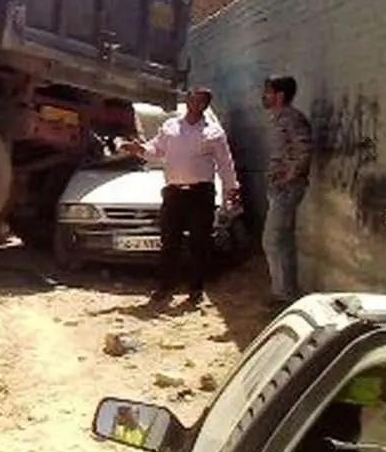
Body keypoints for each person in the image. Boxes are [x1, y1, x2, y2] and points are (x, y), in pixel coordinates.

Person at [122, 88, 240, 304]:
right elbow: (156, 150)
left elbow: (225, 164)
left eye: (201, 102)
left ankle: (196, 288)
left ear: (206, 105)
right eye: (192, 100)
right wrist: (139, 149)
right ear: (187, 102)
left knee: (199, 242)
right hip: (174, 193)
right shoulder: (170, 126)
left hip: (201, 194)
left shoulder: (214, 132)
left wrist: (231, 190)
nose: (195, 105)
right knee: (169, 240)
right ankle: (165, 286)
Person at [261, 75, 313, 309]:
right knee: (283, 241)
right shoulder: (280, 118)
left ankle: (283, 295)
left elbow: (304, 151)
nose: (264, 96)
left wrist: (288, 177)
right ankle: (287, 291)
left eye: (268, 92)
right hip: (280, 188)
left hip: (287, 189)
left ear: (279, 95)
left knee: (272, 240)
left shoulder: (292, 119)